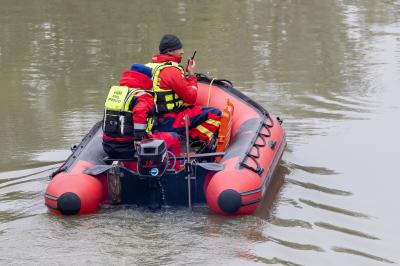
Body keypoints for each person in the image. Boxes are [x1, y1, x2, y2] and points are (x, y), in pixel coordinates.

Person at [146, 34, 221, 149]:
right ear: (169, 52)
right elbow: (191, 97)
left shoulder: (148, 68)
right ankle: (192, 143)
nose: (182, 52)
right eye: (179, 49)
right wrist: (191, 75)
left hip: (151, 122)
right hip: (169, 121)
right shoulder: (171, 71)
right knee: (214, 114)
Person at [102, 64, 182, 170]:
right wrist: (138, 138)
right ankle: (175, 168)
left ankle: (128, 167)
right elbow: (140, 112)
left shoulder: (117, 93)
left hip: (108, 145)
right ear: (147, 79)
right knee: (175, 138)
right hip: (129, 146)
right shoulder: (142, 95)